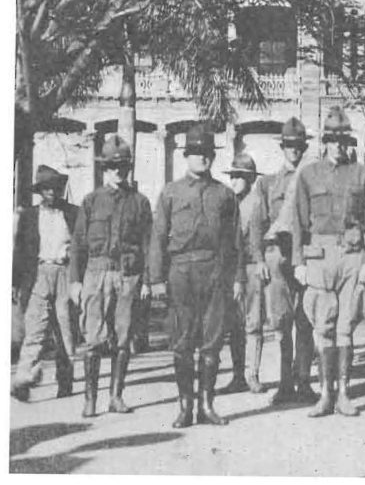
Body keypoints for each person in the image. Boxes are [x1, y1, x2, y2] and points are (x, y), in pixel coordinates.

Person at [150, 125, 244, 427]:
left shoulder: (225, 195)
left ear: (213, 157)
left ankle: (206, 405)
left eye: (206, 153)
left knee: (212, 341)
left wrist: (239, 277)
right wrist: (155, 279)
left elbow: (236, 242)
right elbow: (158, 237)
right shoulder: (170, 193)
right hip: (180, 272)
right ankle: (185, 407)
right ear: (186, 156)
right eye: (196, 153)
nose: (201, 158)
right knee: (182, 341)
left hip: (215, 271)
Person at [292, 107, 365, 417]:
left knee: (345, 328)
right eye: (332, 140)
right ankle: (325, 394)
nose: (338, 146)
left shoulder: (362, 174)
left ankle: (344, 393)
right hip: (319, 257)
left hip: (352, 257)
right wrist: (298, 261)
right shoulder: (308, 174)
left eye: (343, 140)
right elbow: (298, 222)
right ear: (324, 142)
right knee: (323, 326)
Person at [68, 136, 152, 417]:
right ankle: (90, 400)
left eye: (123, 165)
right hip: (96, 274)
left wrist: (147, 281)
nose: (118, 171)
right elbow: (78, 245)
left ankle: (116, 396)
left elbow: (147, 244)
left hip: (128, 276)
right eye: (112, 166)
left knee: (123, 337)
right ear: (104, 169)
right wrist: (75, 281)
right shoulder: (91, 202)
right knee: (93, 337)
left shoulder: (140, 203)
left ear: (129, 167)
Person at [251, 118, 319, 406]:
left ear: (304, 147)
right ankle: (284, 382)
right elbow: (258, 222)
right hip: (278, 256)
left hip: (304, 255)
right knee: (281, 322)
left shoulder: (313, 177)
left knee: (305, 320)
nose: (294, 150)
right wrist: (258, 258)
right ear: (283, 148)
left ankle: (303, 380)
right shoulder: (268, 183)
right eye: (289, 146)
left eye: (298, 146)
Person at [10, 166, 80, 402]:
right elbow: (19, 251)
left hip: (64, 272)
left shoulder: (73, 213)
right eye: (47, 188)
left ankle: (65, 380)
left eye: (56, 188)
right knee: (35, 329)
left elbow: (81, 248)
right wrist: (14, 282)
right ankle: (23, 379)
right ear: (40, 191)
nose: (52, 192)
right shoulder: (29, 216)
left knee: (66, 328)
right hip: (38, 274)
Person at [222, 152, 266, 394]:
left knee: (253, 323)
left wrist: (259, 261)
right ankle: (237, 375)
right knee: (234, 325)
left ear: (250, 179)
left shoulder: (255, 203)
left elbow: (257, 238)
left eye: (240, 177)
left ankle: (252, 374)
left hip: (250, 267)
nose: (235, 181)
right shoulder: (229, 202)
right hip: (230, 270)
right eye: (233, 176)